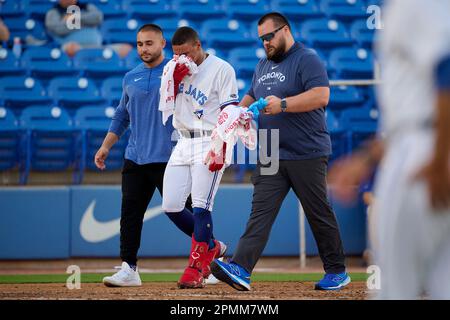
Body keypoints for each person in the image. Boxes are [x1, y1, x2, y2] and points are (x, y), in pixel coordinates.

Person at [211, 12, 350, 291]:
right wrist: (236, 113)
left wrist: (283, 105)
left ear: (285, 30)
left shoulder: (306, 58)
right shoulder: (262, 65)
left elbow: (321, 95)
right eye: (261, 39)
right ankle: (241, 268)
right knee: (260, 212)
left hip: (307, 149)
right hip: (272, 149)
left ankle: (337, 270)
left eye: (269, 37)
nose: (265, 43)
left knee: (318, 212)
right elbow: (251, 95)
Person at [328, 0, 450, 299]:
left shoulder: (418, 4)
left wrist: (439, 158)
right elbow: (413, 107)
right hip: (420, 141)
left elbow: (446, 72)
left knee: (395, 289)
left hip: (425, 153)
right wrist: (366, 158)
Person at [96, 24, 195, 287]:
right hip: (136, 157)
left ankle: (207, 262)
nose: (144, 49)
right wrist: (106, 146)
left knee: (188, 212)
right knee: (129, 215)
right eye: (140, 44)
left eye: (149, 43)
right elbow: (121, 115)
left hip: (171, 158)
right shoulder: (130, 77)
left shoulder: (178, 73)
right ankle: (129, 268)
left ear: (163, 44)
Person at [160, 26, 238, 289]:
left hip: (209, 139)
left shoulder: (222, 68)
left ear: (198, 45)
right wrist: (172, 80)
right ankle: (212, 246)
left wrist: (223, 145)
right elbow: (165, 105)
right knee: (170, 205)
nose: (181, 58)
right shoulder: (173, 68)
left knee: (202, 206)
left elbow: (230, 109)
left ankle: (195, 267)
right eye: (176, 54)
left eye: (185, 53)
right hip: (182, 140)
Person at [45, 0, 131, 57]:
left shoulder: (86, 7)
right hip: (73, 47)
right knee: (72, 49)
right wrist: (85, 22)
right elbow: (58, 29)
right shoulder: (53, 12)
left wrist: (75, 18)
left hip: (97, 46)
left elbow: (98, 18)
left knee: (126, 49)